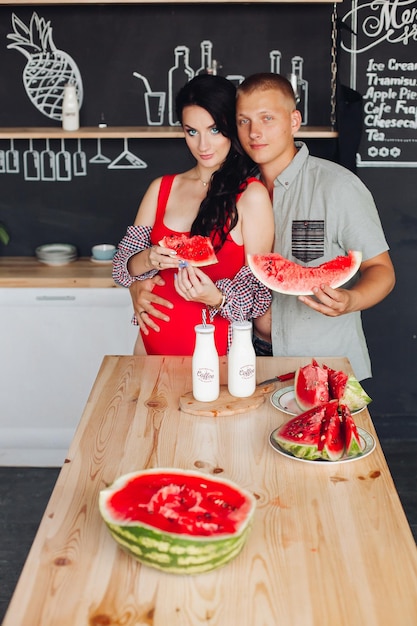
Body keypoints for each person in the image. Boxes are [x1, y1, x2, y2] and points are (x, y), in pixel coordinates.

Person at [235, 72, 395, 380]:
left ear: (294, 121)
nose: (255, 132)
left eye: (267, 118)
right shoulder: (234, 191)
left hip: (326, 365)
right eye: (244, 121)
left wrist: (352, 300)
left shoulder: (339, 186)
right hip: (249, 359)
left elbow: (382, 270)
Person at [112, 74, 274, 356]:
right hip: (149, 351)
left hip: (219, 357)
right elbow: (122, 269)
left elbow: (259, 293)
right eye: (192, 132)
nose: (203, 145)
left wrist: (217, 298)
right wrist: (149, 258)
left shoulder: (252, 195)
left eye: (214, 130)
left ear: (230, 127)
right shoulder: (161, 189)